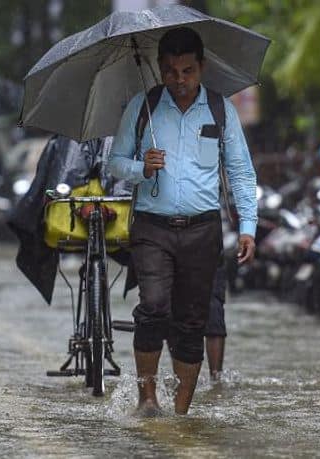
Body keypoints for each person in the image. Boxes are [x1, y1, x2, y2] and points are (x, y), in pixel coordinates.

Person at [108, 27, 257, 416]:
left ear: (201, 67)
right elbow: (116, 163)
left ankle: (181, 412)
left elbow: (241, 172)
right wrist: (143, 167)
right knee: (154, 306)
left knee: (193, 320)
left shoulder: (222, 110)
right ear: (159, 68)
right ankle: (147, 400)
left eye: (187, 71)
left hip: (203, 229)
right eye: (171, 71)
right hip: (152, 228)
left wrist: (248, 227)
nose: (179, 80)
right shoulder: (143, 107)